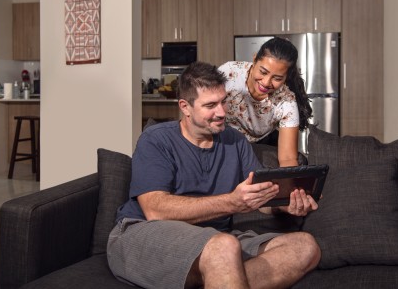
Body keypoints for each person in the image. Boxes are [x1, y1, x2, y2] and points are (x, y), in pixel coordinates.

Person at [107, 61, 320, 289]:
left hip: (214, 239)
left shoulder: (234, 141)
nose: (222, 112)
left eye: (223, 101)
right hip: (142, 233)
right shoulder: (156, 140)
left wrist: (285, 203)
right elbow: (155, 210)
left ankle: (219, 278)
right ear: (185, 107)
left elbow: (260, 194)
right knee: (224, 247)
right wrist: (231, 202)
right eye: (210, 105)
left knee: (305, 247)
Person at [219, 37, 312, 167]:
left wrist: (290, 185)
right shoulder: (229, 73)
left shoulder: (287, 101)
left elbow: (288, 158)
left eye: (277, 78)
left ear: (286, 77)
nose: (266, 82)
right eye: (263, 72)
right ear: (254, 59)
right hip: (224, 137)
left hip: (260, 142)